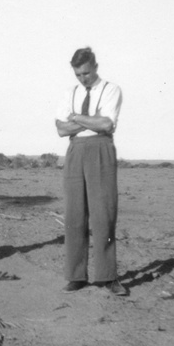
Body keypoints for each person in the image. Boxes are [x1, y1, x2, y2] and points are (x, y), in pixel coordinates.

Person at [54, 47, 127, 295]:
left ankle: (107, 277)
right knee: (74, 215)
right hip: (75, 151)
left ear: (95, 66)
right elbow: (61, 130)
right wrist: (88, 119)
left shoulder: (111, 89)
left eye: (86, 73)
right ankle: (76, 276)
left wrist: (75, 117)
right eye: (78, 75)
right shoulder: (70, 92)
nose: (83, 78)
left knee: (103, 214)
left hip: (101, 150)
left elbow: (106, 123)